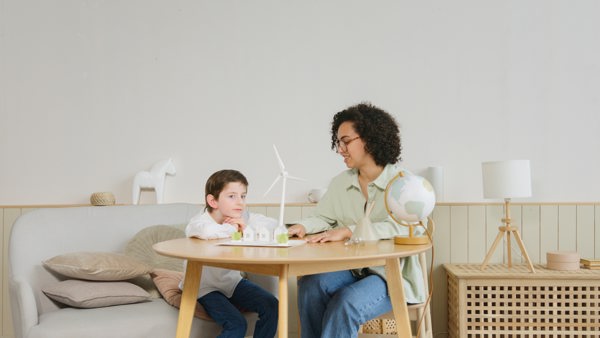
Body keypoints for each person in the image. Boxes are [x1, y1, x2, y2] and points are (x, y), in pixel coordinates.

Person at [287, 103, 426, 338]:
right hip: (349, 269)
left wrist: (350, 231)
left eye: (346, 141)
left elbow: (410, 228)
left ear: (370, 139)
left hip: (390, 275)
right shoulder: (341, 183)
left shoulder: (405, 184)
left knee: (345, 303)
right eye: (338, 143)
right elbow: (323, 216)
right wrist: (302, 227)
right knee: (310, 287)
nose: (340, 149)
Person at [182, 169, 279, 338]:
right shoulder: (199, 222)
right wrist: (233, 228)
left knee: (271, 304)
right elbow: (207, 232)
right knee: (236, 324)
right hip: (204, 287)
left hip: (232, 282)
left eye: (243, 196)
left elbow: (273, 224)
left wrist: (247, 229)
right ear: (213, 201)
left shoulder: (242, 218)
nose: (240, 202)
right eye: (232, 196)